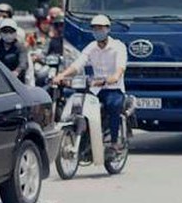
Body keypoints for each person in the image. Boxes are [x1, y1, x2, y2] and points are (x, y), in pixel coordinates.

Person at [54, 15, 128, 154]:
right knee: (79, 106)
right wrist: (62, 75)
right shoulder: (91, 47)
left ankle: (114, 142)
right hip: (95, 89)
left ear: (107, 29)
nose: (97, 31)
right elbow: (78, 64)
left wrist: (112, 78)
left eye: (100, 28)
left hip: (113, 89)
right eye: (94, 28)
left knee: (113, 106)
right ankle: (85, 138)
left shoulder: (118, 47)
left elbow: (120, 69)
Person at [0, 18, 28, 83]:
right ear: (0, 33)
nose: (8, 34)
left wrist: (16, 72)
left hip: (17, 82)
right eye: (5, 31)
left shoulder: (21, 48)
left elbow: (23, 64)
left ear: (15, 32)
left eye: (11, 31)